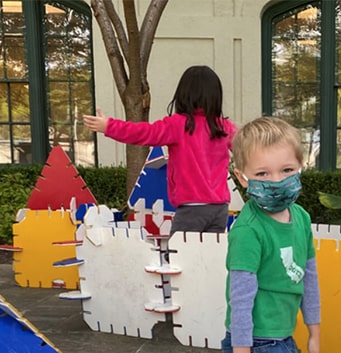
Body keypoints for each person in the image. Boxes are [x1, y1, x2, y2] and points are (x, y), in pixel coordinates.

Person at [160, 116, 321, 353]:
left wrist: (314, 331)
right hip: (256, 340)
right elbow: (241, 300)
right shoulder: (249, 231)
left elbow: (309, 278)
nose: (276, 181)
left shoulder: (301, 218)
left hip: (282, 337)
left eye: (286, 170)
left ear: (301, 167)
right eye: (263, 173)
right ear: (242, 178)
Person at [82, 65, 236, 234]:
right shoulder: (224, 128)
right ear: (215, 96)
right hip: (220, 208)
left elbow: (143, 133)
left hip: (191, 208)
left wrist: (109, 127)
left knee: (178, 256)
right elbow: (248, 147)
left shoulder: (177, 125)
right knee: (209, 256)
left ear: (183, 95)